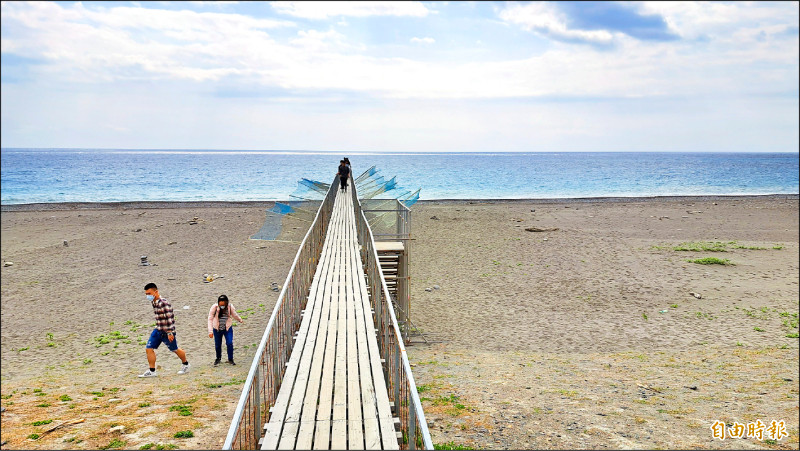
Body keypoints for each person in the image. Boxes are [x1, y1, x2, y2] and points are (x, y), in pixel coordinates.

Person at [139, 282, 190, 377]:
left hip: (167, 331)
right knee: (149, 348)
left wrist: (170, 332)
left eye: (149, 294)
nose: (148, 296)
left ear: (156, 292)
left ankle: (185, 364)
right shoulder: (154, 302)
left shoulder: (164, 303)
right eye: (146, 294)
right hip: (158, 329)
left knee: (175, 349)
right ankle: (152, 371)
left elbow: (170, 318)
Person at [208, 294, 243, 366]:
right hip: (217, 329)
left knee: (229, 343)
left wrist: (239, 319)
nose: (222, 307)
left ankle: (230, 359)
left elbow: (234, 314)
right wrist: (210, 331)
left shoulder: (230, 307)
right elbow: (210, 318)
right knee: (218, 345)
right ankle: (218, 358)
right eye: (220, 305)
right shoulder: (214, 307)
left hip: (227, 328)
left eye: (223, 305)